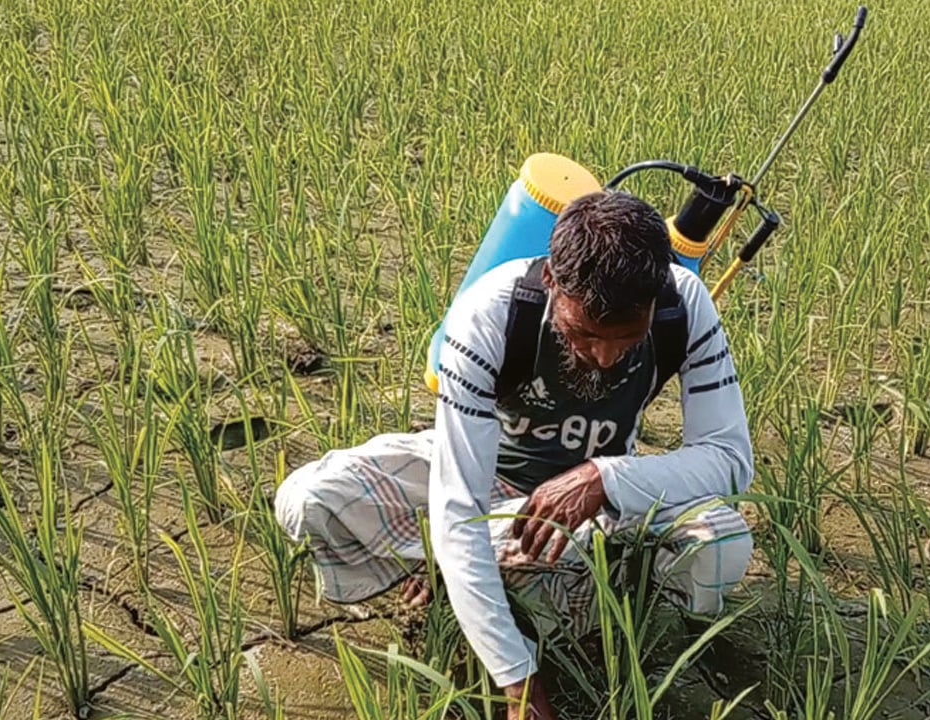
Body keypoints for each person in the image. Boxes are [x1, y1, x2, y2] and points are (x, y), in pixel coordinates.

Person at [275, 189, 755, 719]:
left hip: (601, 507)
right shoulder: (490, 313)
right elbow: (459, 508)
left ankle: (579, 618)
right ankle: (461, 580)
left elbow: (730, 459)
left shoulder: (683, 305)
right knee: (310, 499)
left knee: (724, 540)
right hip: (489, 476)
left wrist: (604, 476)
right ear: (551, 279)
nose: (602, 356)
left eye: (625, 339)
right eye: (584, 334)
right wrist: (520, 682)